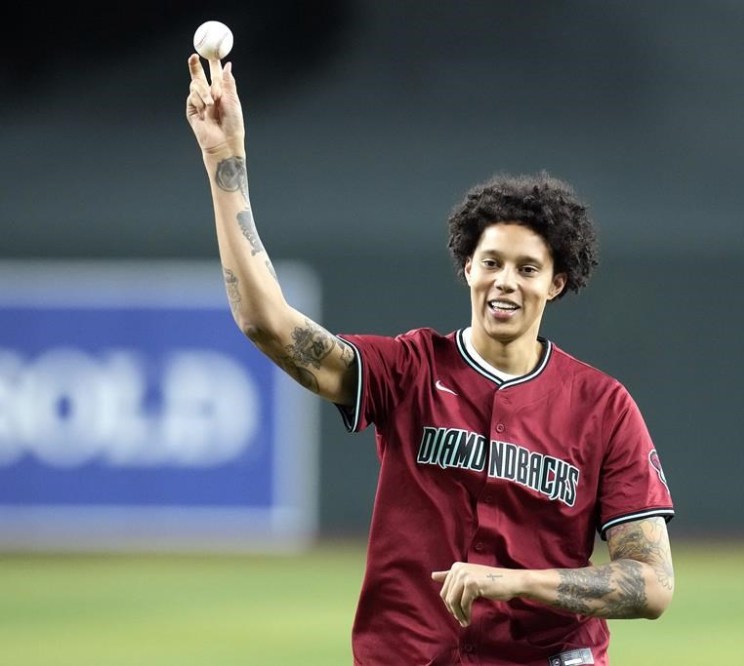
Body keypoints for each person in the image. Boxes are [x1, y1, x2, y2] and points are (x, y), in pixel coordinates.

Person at [186, 52, 675, 666]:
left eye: (528, 269)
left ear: (556, 283)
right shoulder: (409, 370)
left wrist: (517, 581)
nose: (505, 282)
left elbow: (652, 584)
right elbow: (267, 323)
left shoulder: (602, 407)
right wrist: (223, 159)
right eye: (491, 261)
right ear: (467, 266)